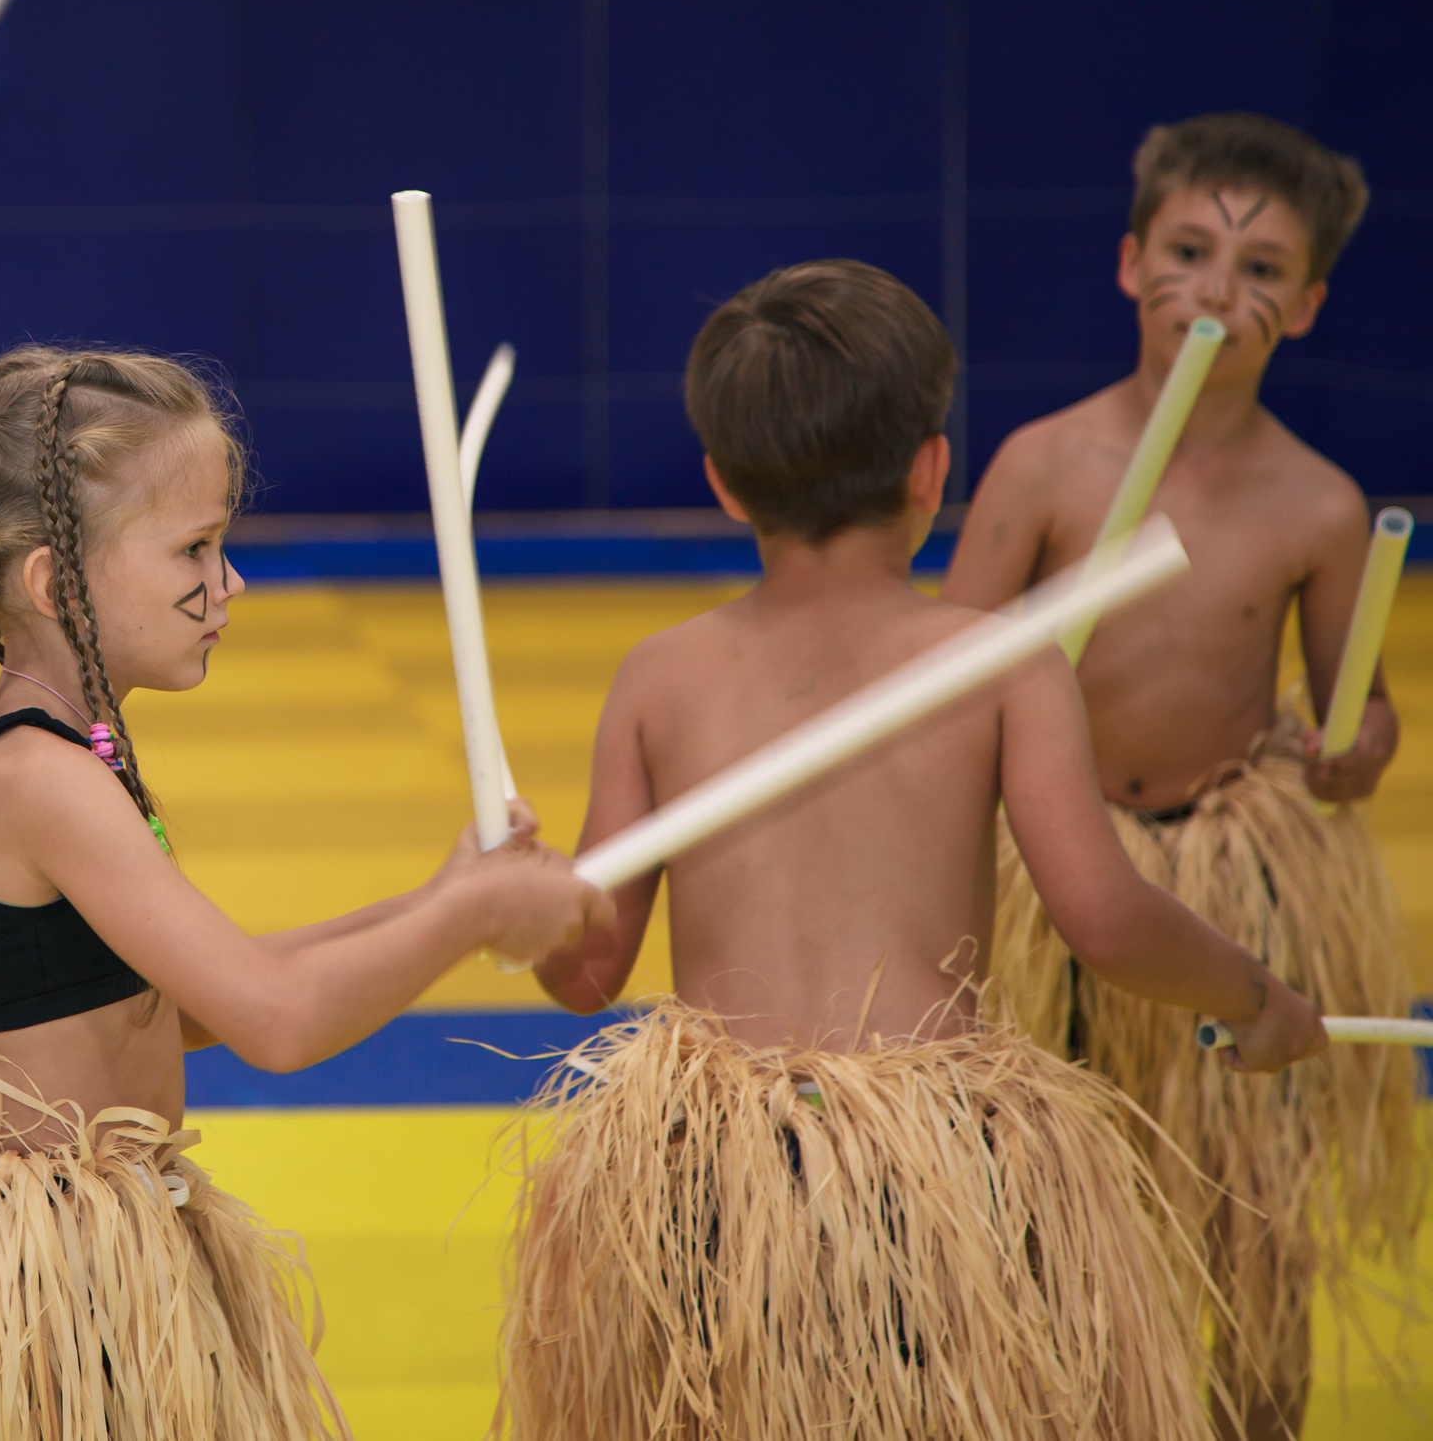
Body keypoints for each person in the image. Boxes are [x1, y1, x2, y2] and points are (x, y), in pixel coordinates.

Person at [507, 261, 1326, 1441]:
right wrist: (1256, 993)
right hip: (930, 1178)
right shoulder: (996, 661)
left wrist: (534, 903)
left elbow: (580, 977)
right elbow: (1099, 918)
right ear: (931, 470)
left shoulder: (659, 676)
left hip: (709, 1180)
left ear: (723, 487)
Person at [0, 347, 605, 1439]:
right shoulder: (39, 778)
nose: (228, 581)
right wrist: (469, 919)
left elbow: (183, 1000)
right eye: (195, 548)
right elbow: (274, 1022)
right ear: (55, 582)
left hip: (81, 1256)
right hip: (41, 1299)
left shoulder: (58, 751)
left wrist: (433, 899)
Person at [944, 113, 1415, 1440]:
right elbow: (940, 673)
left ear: (1309, 304)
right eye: (1192, 251)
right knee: (1061, 1213)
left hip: (1228, 879)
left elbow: (1354, 711)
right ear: (1127, 262)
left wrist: (1353, 750)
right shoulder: (1044, 462)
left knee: (1254, 1225)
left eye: (1263, 269)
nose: (1220, 291)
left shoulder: (1319, 504)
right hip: (1066, 868)